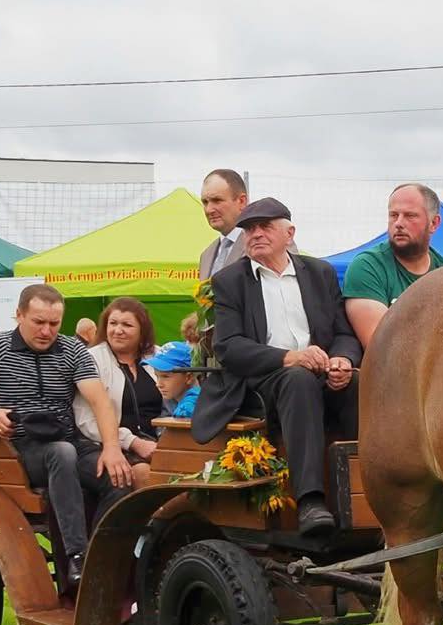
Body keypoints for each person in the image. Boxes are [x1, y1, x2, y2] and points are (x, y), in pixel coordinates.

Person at [0, 283, 131, 594]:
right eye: (38, 322)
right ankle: (76, 557)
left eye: (54, 323)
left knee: (120, 477)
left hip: (71, 442)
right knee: (62, 453)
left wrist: (112, 448)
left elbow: (100, 402)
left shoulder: (73, 350)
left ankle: (104, 555)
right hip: (22, 451)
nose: (46, 331)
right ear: (19, 315)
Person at [190, 197, 360, 536]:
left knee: (358, 382)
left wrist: (343, 360)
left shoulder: (320, 273)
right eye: (249, 229)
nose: (255, 234)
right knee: (297, 380)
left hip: (321, 373)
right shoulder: (229, 281)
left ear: (289, 233)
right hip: (260, 383)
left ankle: (374, 487)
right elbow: (229, 346)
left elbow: (343, 332)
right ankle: (310, 501)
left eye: (265, 226)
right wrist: (288, 357)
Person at [343, 182, 443, 350]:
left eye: (410, 216)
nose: (399, 223)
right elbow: (381, 347)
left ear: (434, 223)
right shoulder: (367, 267)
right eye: (393, 215)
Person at [77, 297, 163, 467]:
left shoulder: (159, 356)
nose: (118, 330)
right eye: (113, 323)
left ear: (142, 330)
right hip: (112, 448)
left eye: (127, 325)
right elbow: (85, 420)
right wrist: (133, 442)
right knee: (144, 474)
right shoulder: (90, 360)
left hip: (160, 444)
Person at [198, 167, 251, 281]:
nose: (209, 210)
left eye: (217, 200)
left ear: (242, 201)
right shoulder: (206, 255)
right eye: (205, 202)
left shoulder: (266, 245)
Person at [146, 344, 199, 419]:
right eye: (157, 376)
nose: (158, 384)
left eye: (165, 376)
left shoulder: (188, 408)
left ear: (188, 377)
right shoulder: (171, 398)